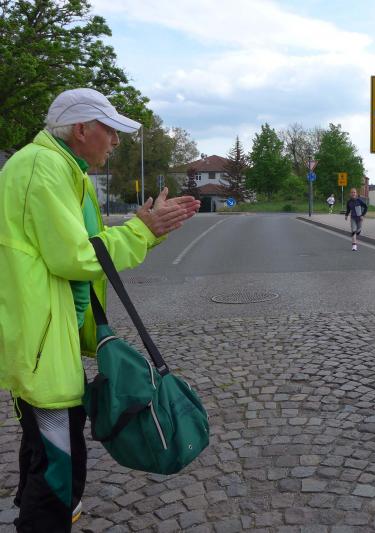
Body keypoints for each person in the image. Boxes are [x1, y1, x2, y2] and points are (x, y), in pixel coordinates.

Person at [0, 88, 200, 531]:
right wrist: (141, 231)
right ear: (81, 129)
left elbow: (82, 242)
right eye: (109, 130)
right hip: (42, 346)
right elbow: (75, 256)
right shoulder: (43, 166)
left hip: (48, 339)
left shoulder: (61, 168)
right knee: (58, 474)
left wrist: (144, 229)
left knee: (46, 457)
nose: (115, 141)